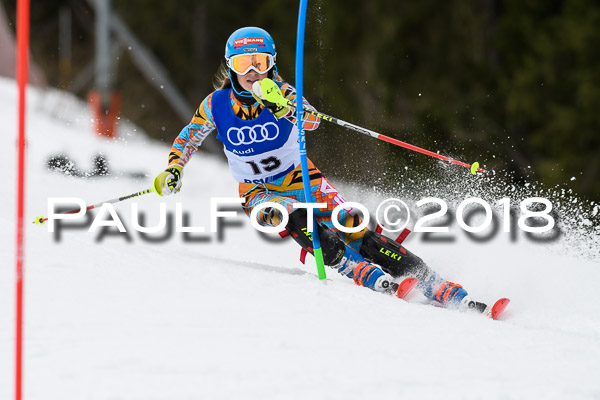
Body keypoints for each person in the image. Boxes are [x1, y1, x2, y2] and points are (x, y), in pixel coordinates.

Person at [153, 26, 486, 312]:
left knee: (354, 227)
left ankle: (433, 282)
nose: (252, 71)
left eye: (260, 62)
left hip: (301, 177)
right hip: (257, 191)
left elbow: (312, 121)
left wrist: (285, 108)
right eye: (244, 64)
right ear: (231, 66)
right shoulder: (215, 105)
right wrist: (174, 168)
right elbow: (188, 137)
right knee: (296, 217)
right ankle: (351, 267)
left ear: (271, 65)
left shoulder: (283, 92)